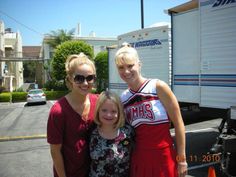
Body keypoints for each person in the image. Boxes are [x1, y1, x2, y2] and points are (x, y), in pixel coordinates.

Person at [114, 43, 188, 177]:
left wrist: (182, 160)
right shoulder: (123, 98)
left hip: (164, 156)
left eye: (130, 66)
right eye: (121, 67)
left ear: (139, 64)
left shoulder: (158, 86)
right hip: (139, 158)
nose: (126, 71)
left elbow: (179, 124)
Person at [47, 53, 98, 177]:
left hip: (95, 172)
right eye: (79, 78)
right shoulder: (58, 111)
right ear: (70, 78)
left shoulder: (98, 102)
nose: (85, 83)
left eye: (90, 78)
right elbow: (55, 151)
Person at [89, 91, 134, 177]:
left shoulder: (128, 132)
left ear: (119, 112)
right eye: (104, 110)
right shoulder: (91, 132)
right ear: (98, 110)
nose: (108, 115)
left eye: (113, 111)